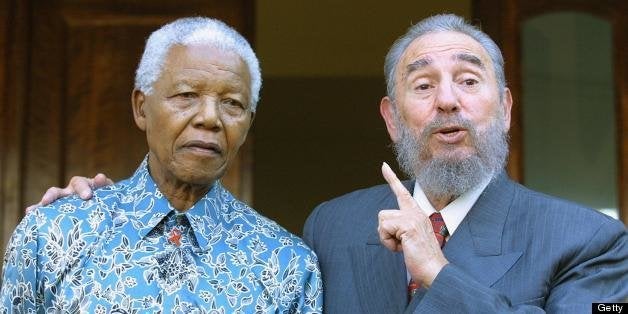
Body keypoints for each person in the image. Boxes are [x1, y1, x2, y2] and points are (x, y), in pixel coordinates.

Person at [26, 14, 628, 313]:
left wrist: (439, 273)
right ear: (392, 119)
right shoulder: (330, 230)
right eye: (423, 86)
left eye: (469, 80)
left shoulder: (596, 243)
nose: (448, 100)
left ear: (507, 107)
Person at [1, 17, 323, 313]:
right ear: (141, 108)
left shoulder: (285, 263)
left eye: (232, 103)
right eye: (186, 95)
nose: (210, 118)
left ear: (248, 124)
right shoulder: (55, 233)